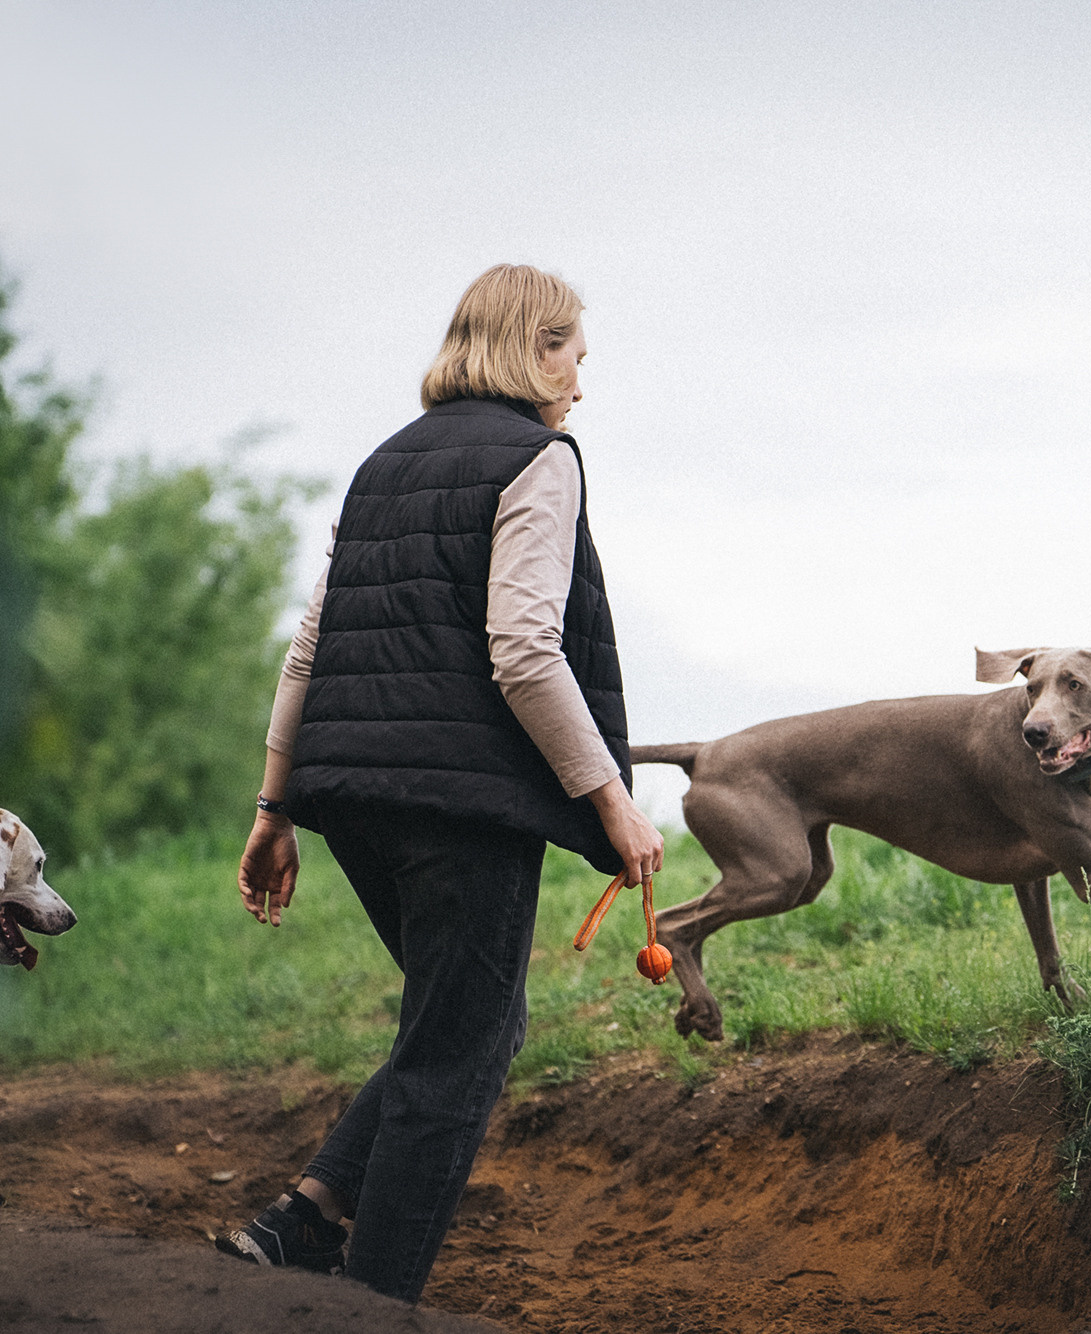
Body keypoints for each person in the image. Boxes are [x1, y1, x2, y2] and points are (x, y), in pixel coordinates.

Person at [216, 264, 664, 1302]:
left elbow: (309, 648)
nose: (580, 389)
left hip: (352, 802)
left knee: (461, 1024)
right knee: (455, 1059)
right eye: (574, 359)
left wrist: (274, 808)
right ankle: (370, 1303)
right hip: (459, 807)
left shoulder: (383, 464)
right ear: (533, 347)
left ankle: (305, 1218)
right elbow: (522, 649)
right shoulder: (539, 457)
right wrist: (611, 799)